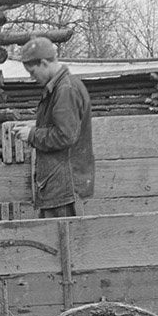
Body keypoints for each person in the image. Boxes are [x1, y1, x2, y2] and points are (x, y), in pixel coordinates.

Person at [11, 35, 94, 218]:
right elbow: (64, 126)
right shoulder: (61, 87)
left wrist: (32, 135)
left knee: (60, 244)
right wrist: (35, 125)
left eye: (33, 72)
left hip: (63, 187)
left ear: (43, 63)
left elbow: (66, 136)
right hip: (58, 185)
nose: (33, 78)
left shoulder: (65, 90)